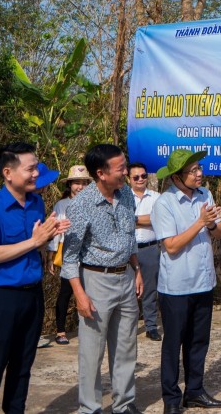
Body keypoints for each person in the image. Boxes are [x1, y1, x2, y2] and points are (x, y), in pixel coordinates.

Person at [0, 142, 70, 414]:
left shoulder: (36, 202)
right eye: (30, 169)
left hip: (32, 295)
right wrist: (35, 240)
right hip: (1, 299)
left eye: (36, 168)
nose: (36, 174)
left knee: (23, 366)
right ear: (8, 172)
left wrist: (48, 236)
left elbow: (33, 245)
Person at [62, 144, 143, 414]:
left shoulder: (127, 195)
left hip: (126, 278)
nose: (126, 172)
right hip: (95, 281)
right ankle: (90, 408)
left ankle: (124, 404)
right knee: (92, 352)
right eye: (120, 168)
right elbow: (70, 256)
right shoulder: (81, 205)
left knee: (125, 347)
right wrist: (80, 294)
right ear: (101, 173)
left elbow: (130, 237)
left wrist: (137, 270)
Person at [150, 149, 221, 413]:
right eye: (193, 170)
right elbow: (171, 246)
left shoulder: (206, 195)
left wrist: (212, 224)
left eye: (199, 168)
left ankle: (194, 391)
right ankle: (171, 399)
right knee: (173, 344)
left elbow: (219, 232)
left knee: (199, 342)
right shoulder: (164, 203)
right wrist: (200, 222)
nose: (199, 173)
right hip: (176, 287)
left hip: (204, 281)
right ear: (176, 177)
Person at [48, 165, 91, 346]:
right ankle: (60, 330)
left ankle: (88, 329)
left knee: (89, 290)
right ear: (70, 185)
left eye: (83, 183)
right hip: (68, 251)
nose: (79, 187)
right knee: (65, 292)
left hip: (88, 252)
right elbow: (56, 231)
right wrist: (51, 256)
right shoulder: (62, 205)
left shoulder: (92, 203)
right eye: (76, 183)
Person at [130, 161, 162, 341]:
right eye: (136, 177)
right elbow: (122, 221)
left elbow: (158, 218)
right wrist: (146, 219)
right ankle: (129, 329)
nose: (140, 179)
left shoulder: (157, 197)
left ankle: (150, 326)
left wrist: (133, 219)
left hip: (150, 248)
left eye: (143, 176)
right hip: (128, 251)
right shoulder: (123, 196)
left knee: (150, 290)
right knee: (128, 291)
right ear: (129, 179)